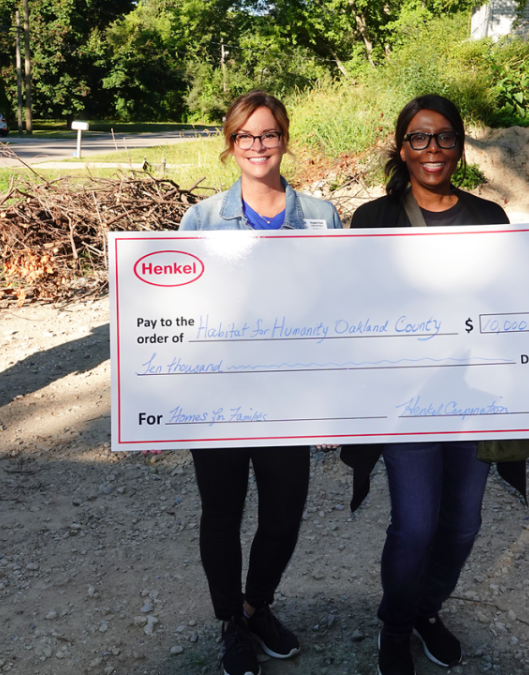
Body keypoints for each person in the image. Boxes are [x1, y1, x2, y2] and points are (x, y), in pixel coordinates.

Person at [178, 90, 341, 675]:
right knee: (221, 514)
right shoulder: (199, 219)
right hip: (218, 397)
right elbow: (181, 313)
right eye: (246, 136)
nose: (258, 146)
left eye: (269, 134)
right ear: (231, 144)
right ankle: (230, 626)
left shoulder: (321, 217)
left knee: (282, 514)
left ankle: (254, 607)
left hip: (288, 399)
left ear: (285, 139)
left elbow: (337, 307)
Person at [350, 94, 510, 675]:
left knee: (464, 523)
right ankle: (394, 625)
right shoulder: (373, 220)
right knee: (415, 524)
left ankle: (426, 610)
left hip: (476, 398)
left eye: (444, 137)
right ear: (402, 148)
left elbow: (511, 308)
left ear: (460, 146)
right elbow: (350, 315)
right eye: (419, 138)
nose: (432, 149)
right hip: (406, 402)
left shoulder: (490, 216)